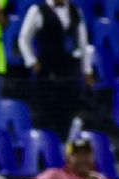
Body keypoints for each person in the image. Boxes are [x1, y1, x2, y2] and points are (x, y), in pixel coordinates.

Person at [18, 0, 94, 137]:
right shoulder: (37, 10)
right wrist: (31, 61)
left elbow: (83, 42)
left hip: (69, 72)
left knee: (67, 114)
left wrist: (87, 70)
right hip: (46, 72)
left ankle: (65, 148)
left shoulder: (76, 11)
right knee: (45, 115)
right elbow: (24, 38)